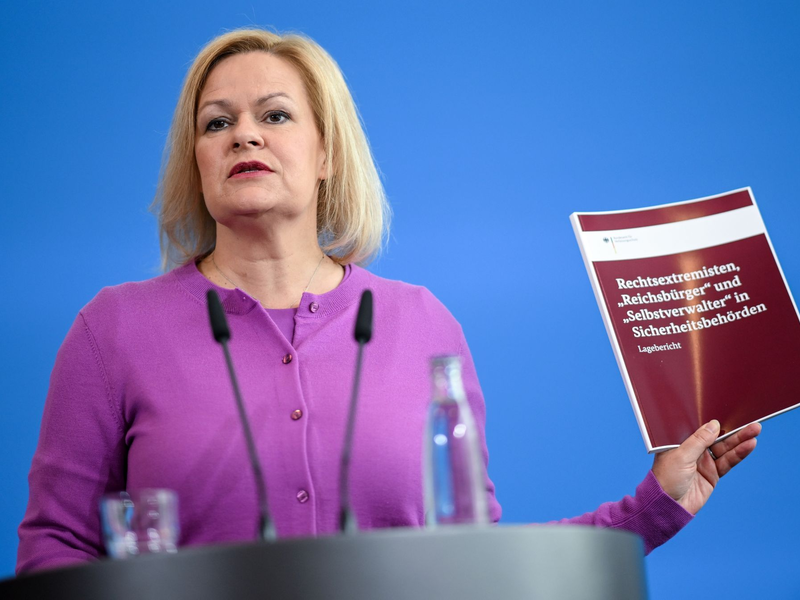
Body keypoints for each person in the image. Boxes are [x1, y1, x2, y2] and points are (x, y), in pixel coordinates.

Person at [16, 28, 761, 574]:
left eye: (275, 116)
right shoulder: (112, 332)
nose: (244, 134)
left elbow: (473, 563)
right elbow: (55, 552)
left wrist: (654, 505)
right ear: (199, 162)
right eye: (217, 123)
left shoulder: (421, 325)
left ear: (326, 155)